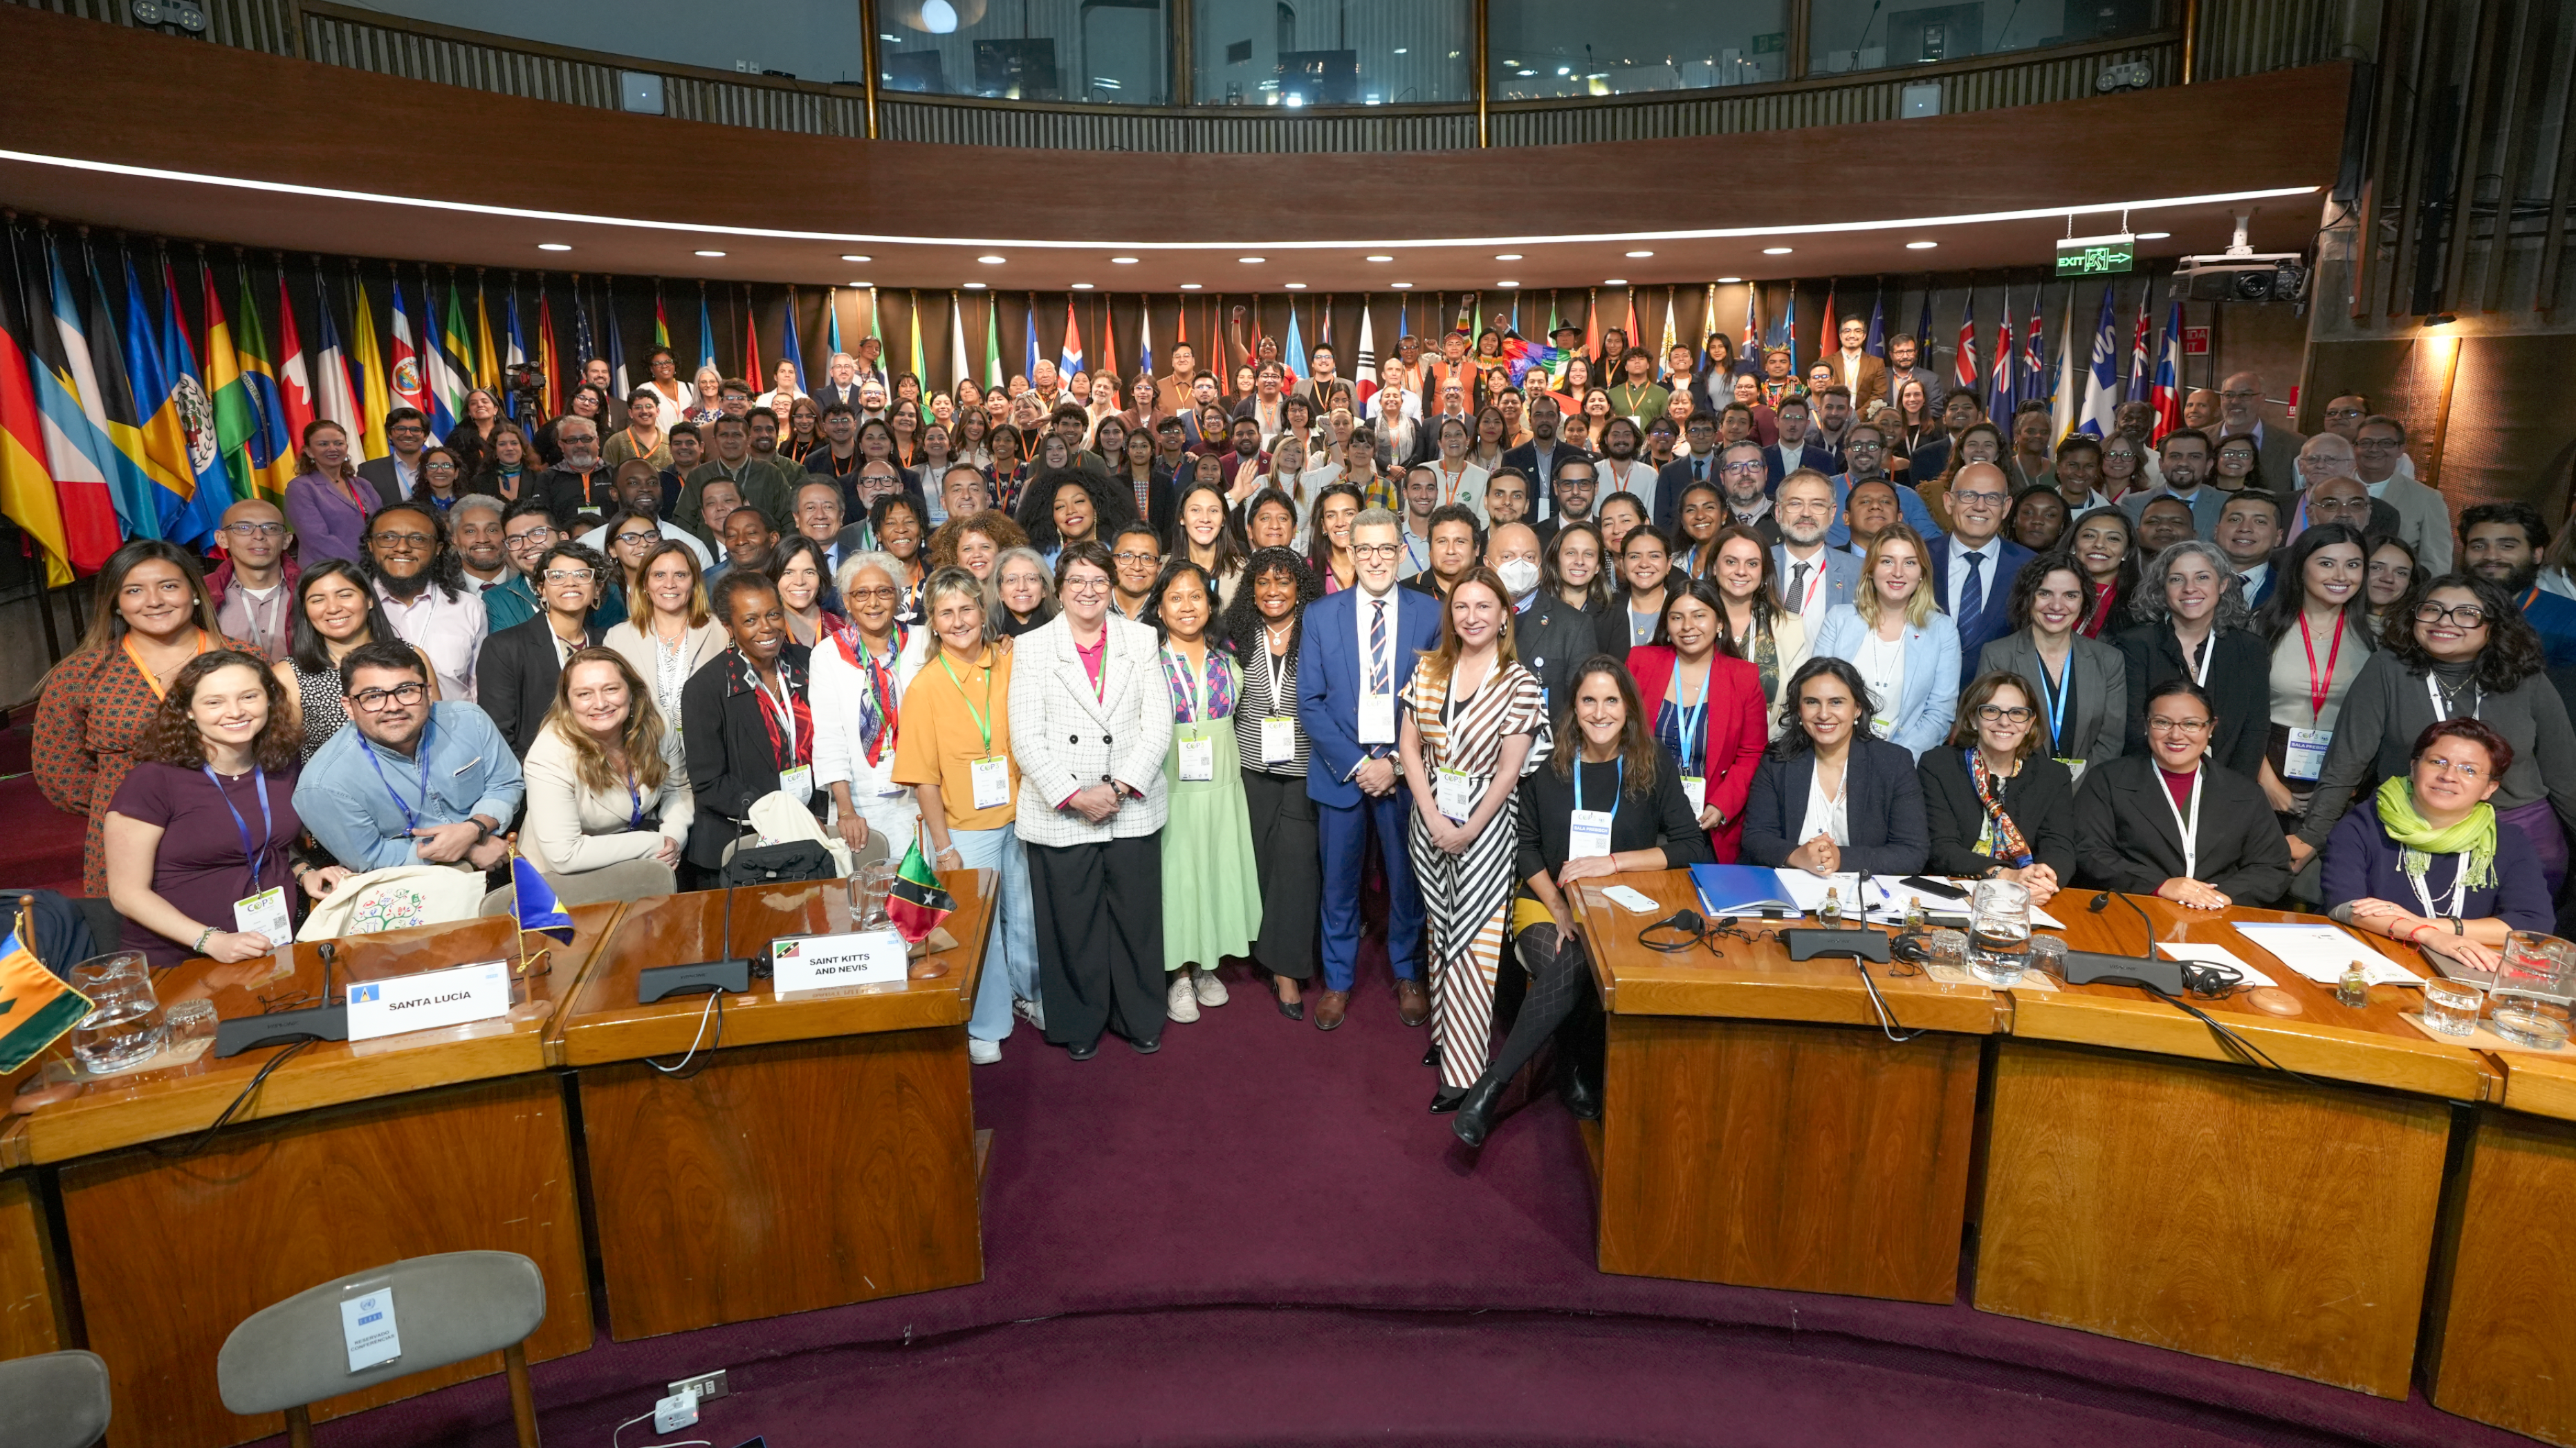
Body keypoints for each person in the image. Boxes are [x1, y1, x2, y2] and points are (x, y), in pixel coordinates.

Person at [1446, 658, 1715, 1145]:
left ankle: (1543, 1068)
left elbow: (1691, 845)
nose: (1600, 712)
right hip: (1546, 901)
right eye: (1588, 700)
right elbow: (1526, 847)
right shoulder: (1549, 765)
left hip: (1620, 902)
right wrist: (1560, 905)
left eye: (1611, 700)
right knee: (1576, 956)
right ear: (1573, 708)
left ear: (1628, 706)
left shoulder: (1652, 762)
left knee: (1584, 957)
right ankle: (1506, 1083)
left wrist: (1612, 863)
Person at [2293, 574, 2576, 893]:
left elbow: (2566, 774)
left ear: (2494, 625)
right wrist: (2312, 836)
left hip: (2517, 833)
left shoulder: (2525, 677)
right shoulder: (2388, 668)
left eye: (2467, 613)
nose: (2445, 621)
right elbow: (2347, 760)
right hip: (2411, 829)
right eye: (2433, 609)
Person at [1007, 543, 1172, 1059]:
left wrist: (1119, 788)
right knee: (1072, 924)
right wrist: (1077, 796)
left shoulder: (1142, 639)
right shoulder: (1033, 648)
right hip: (1063, 810)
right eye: (1077, 581)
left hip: (1130, 803)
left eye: (1099, 580)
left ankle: (1139, 1015)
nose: (1089, 590)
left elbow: (1158, 724)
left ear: (1112, 586)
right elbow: (1025, 736)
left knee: (1135, 919)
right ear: (1059, 589)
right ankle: (1079, 1021)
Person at [1398, 566, 1549, 1111]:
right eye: (1462, 607)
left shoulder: (1520, 683)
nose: (1472, 616)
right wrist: (1433, 817)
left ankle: (1463, 1076)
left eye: (1484, 606)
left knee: (1474, 945)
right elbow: (1409, 749)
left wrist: (1467, 828)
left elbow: (1511, 770)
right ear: (1451, 615)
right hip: (1430, 819)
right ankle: (1446, 1038)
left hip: (1486, 826)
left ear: (1504, 615)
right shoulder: (1430, 670)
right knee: (1441, 934)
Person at [102, 651, 347, 965]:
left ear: (270, 700)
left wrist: (304, 873)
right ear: (188, 711)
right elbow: (126, 894)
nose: (235, 712)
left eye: (248, 697)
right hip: (180, 959)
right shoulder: (153, 779)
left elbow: (269, 843)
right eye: (214, 702)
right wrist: (210, 940)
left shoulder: (282, 765)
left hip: (272, 948)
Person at [36, 541, 251, 896]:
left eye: (169, 586)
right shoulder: (82, 674)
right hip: (129, 845)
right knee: (141, 948)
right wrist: (129, 807)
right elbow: (60, 771)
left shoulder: (244, 658)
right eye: (134, 590)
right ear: (116, 603)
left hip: (234, 832)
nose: (154, 600)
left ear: (195, 592)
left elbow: (275, 746)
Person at [1300, 508, 1444, 1032]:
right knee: (1338, 884)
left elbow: (1436, 701)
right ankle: (1338, 981)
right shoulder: (1320, 615)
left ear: (1403, 551)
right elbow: (1310, 702)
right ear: (1349, 553)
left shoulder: (1430, 613)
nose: (1377, 559)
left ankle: (1407, 973)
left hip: (1407, 777)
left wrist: (1397, 767)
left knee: (1408, 881)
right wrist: (1363, 764)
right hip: (1342, 773)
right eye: (1366, 549)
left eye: (1387, 548)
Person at [893, 567, 1043, 1063]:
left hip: (1021, 815)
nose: (959, 621)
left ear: (984, 612)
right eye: (946, 613)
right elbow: (923, 777)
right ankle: (987, 1022)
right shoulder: (925, 687)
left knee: (1024, 916)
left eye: (967, 609)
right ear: (933, 623)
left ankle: (1032, 996)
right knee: (979, 929)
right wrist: (944, 846)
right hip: (965, 827)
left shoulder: (1009, 660)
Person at [2323, 718, 2554, 969]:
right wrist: (2427, 935)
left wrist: (2440, 929)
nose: (2448, 776)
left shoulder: (2508, 841)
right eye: (2437, 762)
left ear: (2489, 788)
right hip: (2369, 961)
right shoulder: (2364, 823)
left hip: (2463, 971)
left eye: (2469, 770)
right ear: (2414, 768)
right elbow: (2344, 905)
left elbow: (2532, 923)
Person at [292, 640, 524, 874]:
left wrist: (475, 828)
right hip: (409, 884)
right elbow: (370, 857)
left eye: (405, 691)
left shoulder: (470, 721)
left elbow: (506, 783)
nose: (393, 706)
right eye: (373, 696)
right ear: (349, 707)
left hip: (502, 853)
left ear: (428, 693)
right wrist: (468, 849)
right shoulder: (324, 784)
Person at [1146, 561, 1262, 1023]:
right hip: (1171, 788)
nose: (1187, 606)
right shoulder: (1148, 662)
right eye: (1175, 598)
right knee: (1177, 877)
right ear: (1159, 607)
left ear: (1211, 603)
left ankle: (1207, 962)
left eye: (1196, 596)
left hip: (1221, 787)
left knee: (1215, 869)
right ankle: (1177, 974)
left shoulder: (1228, 661)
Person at [2074, 678, 2291, 909]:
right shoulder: (2108, 779)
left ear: (2210, 728)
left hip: (2215, 917)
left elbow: (2272, 867)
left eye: (2191, 724)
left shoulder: (2245, 792)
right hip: (2133, 907)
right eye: (2162, 722)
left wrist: (2219, 897)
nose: (2176, 735)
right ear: (2146, 725)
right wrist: (2160, 885)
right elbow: (2090, 850)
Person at [1222, 548, 1326, 1016]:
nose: (1273, 592)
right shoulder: (1234, 634)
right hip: (1249, 766)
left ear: (1300, 588)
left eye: (1283, 582)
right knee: (1259, 861)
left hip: (1304, 768)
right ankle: (1259, 951)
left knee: (1298, 866)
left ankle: (1287, 967)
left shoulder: (1318, 632)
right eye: (1263, 583)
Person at [518, 648, 694, 904]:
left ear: (632, 691)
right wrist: (654, 843)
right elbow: (565, 854)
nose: (600, 704)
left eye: (611, 689)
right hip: (564, 883)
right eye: (584, 694)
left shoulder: (656, 724)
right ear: (567, 702)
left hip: (642, 867)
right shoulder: (548, 755)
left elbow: (678, 789)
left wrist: (674, 836)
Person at [681, 571, 826, 879]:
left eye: (774, 614)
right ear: (728, 627)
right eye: (750, 620)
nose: (767, 627)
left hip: (814, 831)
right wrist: (782, 816)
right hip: (741, 846)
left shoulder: (807, 662)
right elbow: (709, 783)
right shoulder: (706, 688)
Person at [1739, 658, 1931, 876]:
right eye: (1812, 702)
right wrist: (1796, 856)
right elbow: (1756, 836)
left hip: (1865, 895)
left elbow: (1912, 852)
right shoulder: (1777, 760)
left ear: (1857, 708)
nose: (1823, 714)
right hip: (1791, 889)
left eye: (1836, 702)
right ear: (1799, 709)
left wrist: (1841, 858)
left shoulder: (1893, 763)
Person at [2247, 523, 2375, 851]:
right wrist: (2269, 784)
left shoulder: (2377, 636)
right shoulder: (2261, 626)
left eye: (2353, 565)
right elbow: (2244, 713)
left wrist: (2346, 786)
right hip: (2267, 763)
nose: (2341, 575)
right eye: (2326, 563)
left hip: (2345, 770)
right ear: (2301, 566)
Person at [1624, 574, 1769, 859]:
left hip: (1708, 821)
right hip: (1641, 814)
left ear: (1719, 623)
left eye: (1699, 616)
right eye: (1677, 617)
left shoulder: (1744, 677)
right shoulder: (1642, 662)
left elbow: (1752, 754)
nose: (1688, 626)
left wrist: (1723, 805)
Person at [2115, 539, 2268, 780]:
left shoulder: (2250, 649)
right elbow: (2133, 728)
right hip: (2148, 781)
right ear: (2163, 588)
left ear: (2223, 585)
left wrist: (2232, 790)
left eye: (2202, 577)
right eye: (2177, 579)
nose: (2190, 588)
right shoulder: (2133, 646)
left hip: (2227, 786)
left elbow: (2254, 731)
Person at [811, 551, 929, 860]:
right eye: (861, 593)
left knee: (924, 899)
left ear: (899, 597)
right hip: (863, 802)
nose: (873, 603)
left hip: (923, 796)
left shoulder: (925, 641)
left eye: (884, 591)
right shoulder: (827, 655)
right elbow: (829, 736)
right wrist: (847, 810)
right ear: (847, 602)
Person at [1918, 673, 2075, 899]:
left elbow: (2060, 848)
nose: (2005, 722)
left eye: (2017, 713)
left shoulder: (2053, 775)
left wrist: (2042, 881)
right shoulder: (1938, 765)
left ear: (2030, 723)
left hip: (2029, 897)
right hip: (1955, 891)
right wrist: (2007, 876)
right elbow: (1941, 849)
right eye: (1991, 711)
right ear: (1973, 718)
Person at [1812, 526, 1961, 760]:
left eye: (1910, 563)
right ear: (1871, 569)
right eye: (1887, 561)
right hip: (1833, 757)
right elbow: (1815, 693)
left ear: (1922, 572)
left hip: (1903, 764)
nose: (1898, 572)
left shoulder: (1943, 630)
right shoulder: (1839, 619)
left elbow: (1939, 714)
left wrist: (1895, 762)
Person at [1977, 553, 2128, 774]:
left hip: (2088, 790)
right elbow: (1991, 730)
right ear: (2028, 597)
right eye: (2045, 593)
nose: (2057, 605)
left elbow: (2111, 741)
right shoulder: (1998, 655)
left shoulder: (2108, 660)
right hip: (2018, 786)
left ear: (2083, 600)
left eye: (2070, 595)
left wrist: (2078, 788)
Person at [477, 540, 610, 757]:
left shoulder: (609, 642)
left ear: (598, 588)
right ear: (541, 589)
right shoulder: (504, 647)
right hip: (538, 775)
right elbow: (498, 734)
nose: (570, 583)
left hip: (606, 769)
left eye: (582, 575)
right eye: (557, 576)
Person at [362, 501, 488, 704]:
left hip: (455, 730)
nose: (402, 548)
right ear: (371, 546)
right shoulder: (352, 607)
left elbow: (479, 687)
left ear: (438, 549)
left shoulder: (469, 608)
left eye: (418, 539)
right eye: (388, 538)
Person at [604, 541, 729, 743]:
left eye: (680, 575)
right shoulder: (617, 638)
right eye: (659, 575)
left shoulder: (722, 630)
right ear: (645, 584)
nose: (670, 584)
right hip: (646, 756)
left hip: (712, 749)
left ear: (694, 582)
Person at [1928, 462, 2033, 692]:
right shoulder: (1917, 559)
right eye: (1969, 495)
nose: (1980, 506)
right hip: (1918, 705)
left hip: (1997, 707)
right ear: (1949, 502)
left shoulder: (2032, 567)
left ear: (2006, 508)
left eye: (1992, 498)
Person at [1704, 524, 1812, 736]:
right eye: (1731, 562)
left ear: (1763, 572)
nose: (1741, 571)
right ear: (1715, 567)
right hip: (1696, 750)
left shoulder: (1790, 627)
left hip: (1766, 752)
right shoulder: (1690, 621)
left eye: (1752, 564)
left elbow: (1796, 701)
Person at [2459, 501, 2576, 668]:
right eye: (2479, 546)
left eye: (2507, 546)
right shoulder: (2441, 611)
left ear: (2537, 554)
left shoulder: (2569, 619)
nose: (2491, 556)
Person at [2353, 416, 2452, 574]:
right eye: (2365, 443)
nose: (2374, 449)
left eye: (2386, 443)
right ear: (2355, 447)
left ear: (2400, 449)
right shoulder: (2331, 489)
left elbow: (2436, 564)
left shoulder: (2427, 498)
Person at [207, 499, 299, 662]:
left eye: (271, 528)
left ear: (286, 540)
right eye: (243, 528)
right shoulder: (201, 593)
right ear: (222, 539)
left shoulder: (312, 589)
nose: (258, 536)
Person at [1772, 470, 1859, 638]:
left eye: (1817, 505)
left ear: (1832, 514)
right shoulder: (1758, 565)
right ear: (1778, 512)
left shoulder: (1859, 572)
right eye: (1795, 504)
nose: (1806, 513)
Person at [282, 420, 376, 567]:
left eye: (339, 443)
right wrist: (358, 568)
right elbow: (317, 539)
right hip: (328, 571)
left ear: (346, 447)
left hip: (372, 569)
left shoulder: (362, 485)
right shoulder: (301, 488)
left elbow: (381, 525)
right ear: (309, 451)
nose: (333, 449)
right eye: (323, 444)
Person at [1597, 523, 1677, 657]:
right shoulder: (1605, 611)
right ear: (1622, 564)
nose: (1644, 564)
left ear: (1669, 564)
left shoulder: (1683, 610)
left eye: (1654, 556)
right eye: (1634, 557)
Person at [2067, 505, 2141, 638]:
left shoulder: (2141, 602)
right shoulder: (2042, 587)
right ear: (2073, 545)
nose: (2099, 544)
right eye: (2089, 536)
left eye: (2113, 538)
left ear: (2126, 552)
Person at [2367, 536, 2422, 638]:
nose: (2388, 579)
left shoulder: (2417, 632)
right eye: (2376, 568)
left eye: (2401, 573)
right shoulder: (2332, 621)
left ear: (2410, 582)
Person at [995, 546, 1056, 635]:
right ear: (1000, 592)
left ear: (1044, 589)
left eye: (1031, 579)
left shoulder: (1064, 629)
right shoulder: (988, 634)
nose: (1021, 587)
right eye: (1011, 580)